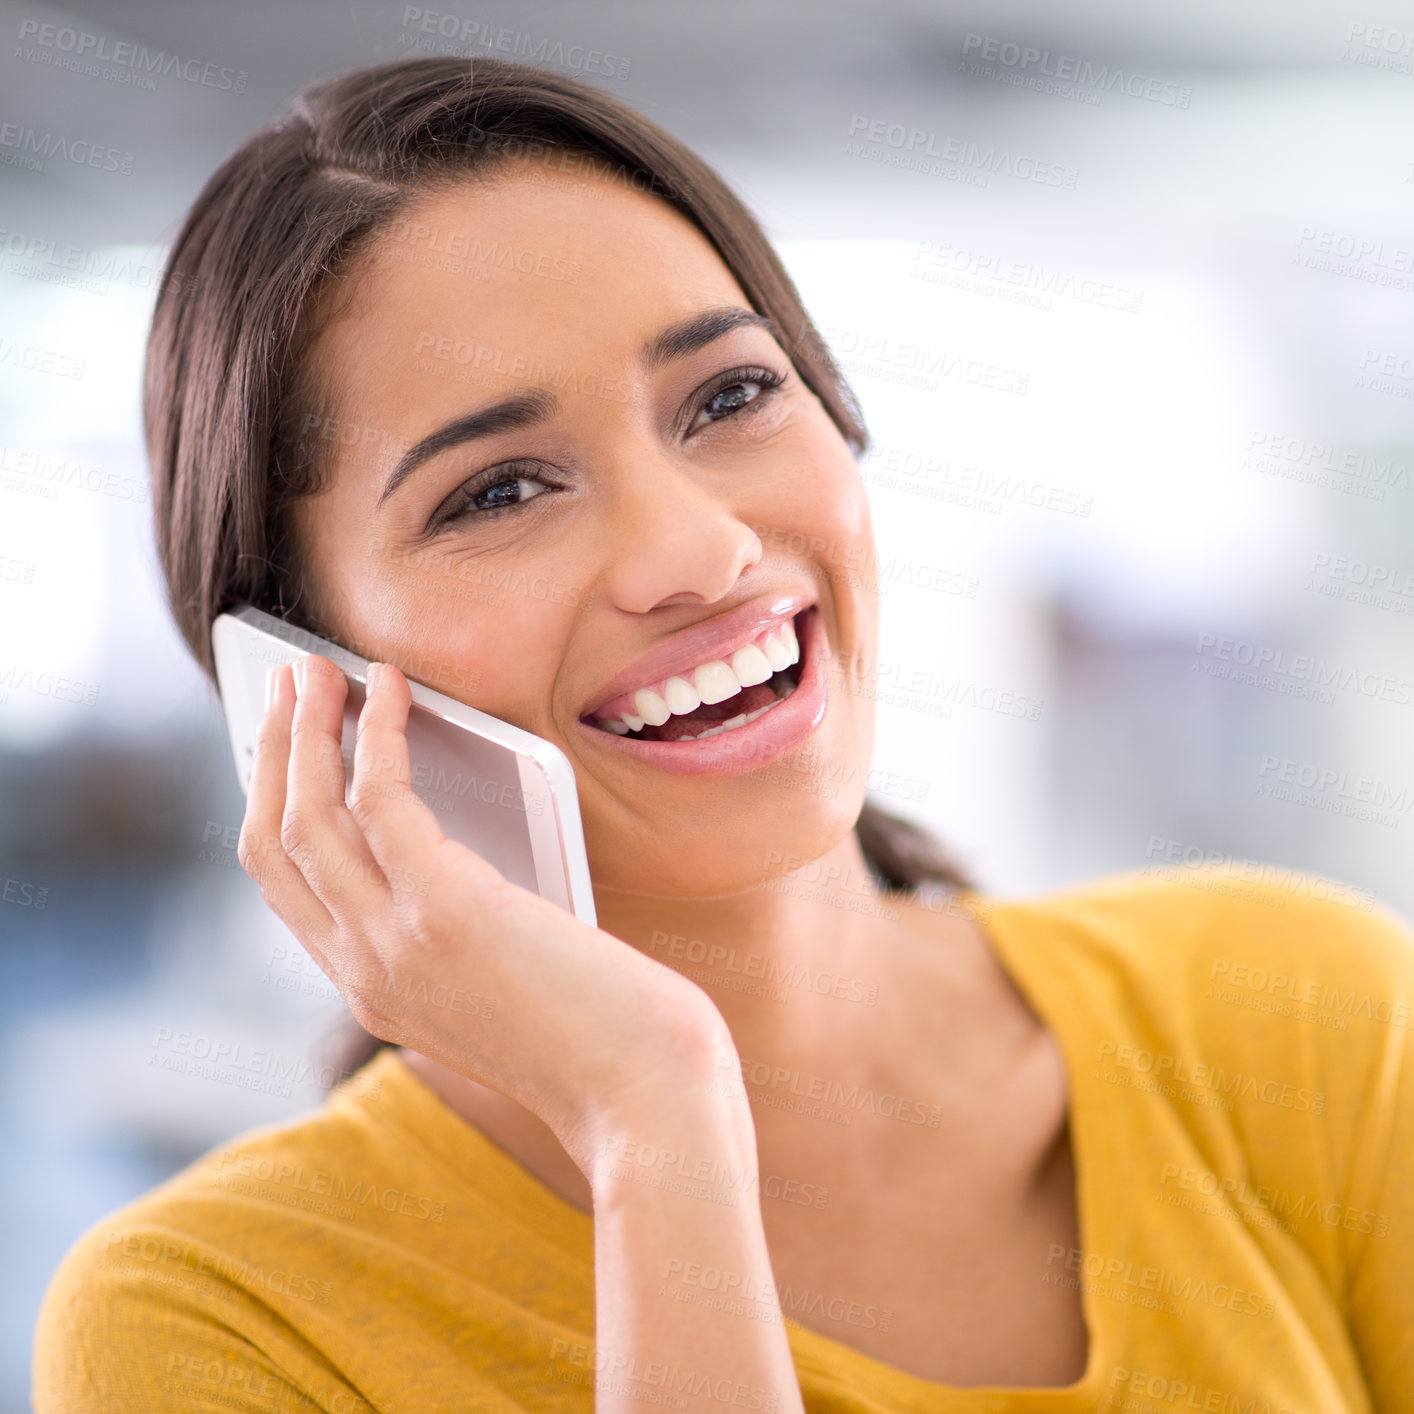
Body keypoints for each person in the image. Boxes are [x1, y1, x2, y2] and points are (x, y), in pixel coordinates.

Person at [32, 55, 1414, 1414]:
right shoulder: (218, 1322)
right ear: (299, 679)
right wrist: (654, 1122)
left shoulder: (1298, 1015)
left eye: (729, 396)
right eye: (501, 489)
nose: (698, 548)